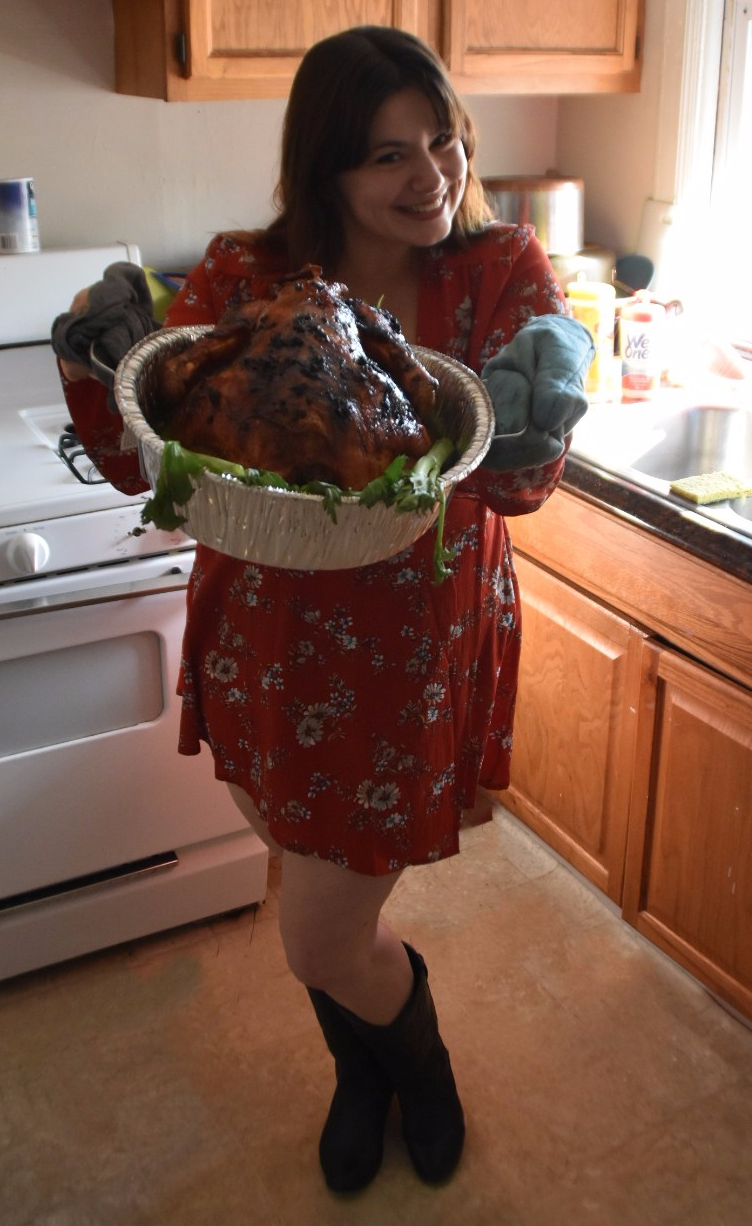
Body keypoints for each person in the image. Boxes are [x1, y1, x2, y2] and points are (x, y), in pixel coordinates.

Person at [54, 25, 593, 1195]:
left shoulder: (499, 270)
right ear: (325, 167)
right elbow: (152, 456)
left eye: (443, 143)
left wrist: (539, 413)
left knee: (319, 931)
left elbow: (512, 486)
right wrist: (98, 366)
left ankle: (423, 1065)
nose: (429, 178)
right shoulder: (246, 277)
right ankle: (365, 1071)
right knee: (314, 900)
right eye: (386, 155)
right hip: (264, 638)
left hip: (411, 645)